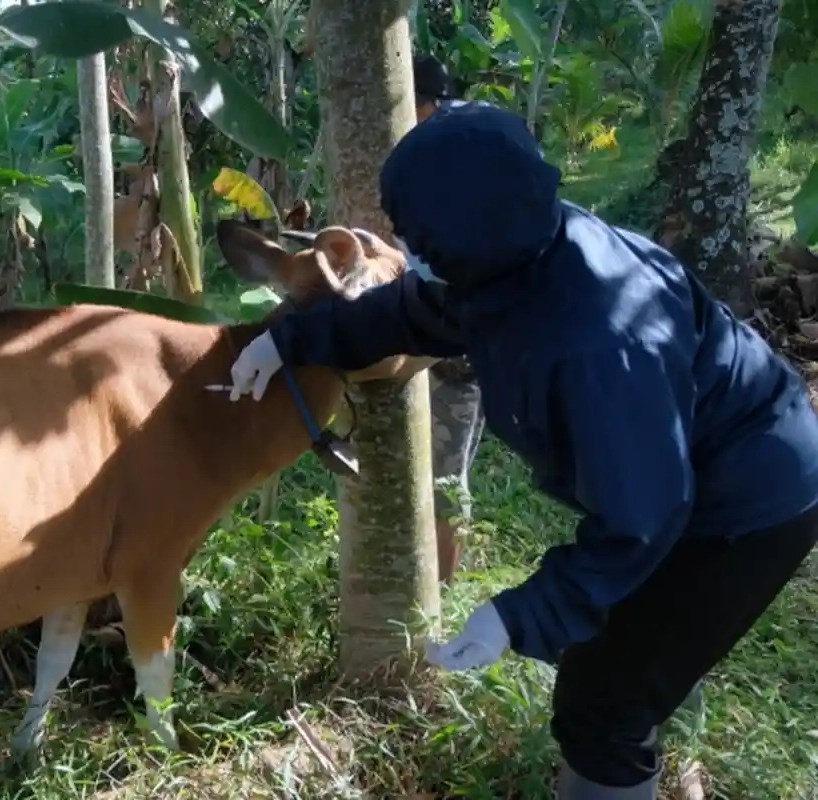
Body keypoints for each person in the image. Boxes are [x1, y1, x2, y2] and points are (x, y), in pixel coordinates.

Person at [225, 100, 818, 798]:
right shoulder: (512, 256)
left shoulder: (599, 345)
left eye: (418, 238)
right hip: (684, 464)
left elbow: (645, 515)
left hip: (747, 503)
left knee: (602, 707)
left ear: (468, 243)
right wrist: (289, 340)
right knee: (625, 652)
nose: (407, 249)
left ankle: (632, 728)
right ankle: (655, 695)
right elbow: (413, 310)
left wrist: (517, 616)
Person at [410, 53, 486, 584]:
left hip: (458, 351)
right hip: (425, 338)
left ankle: (442, 587)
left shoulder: (460, 161)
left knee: (444, 480)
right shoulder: (427, 156)